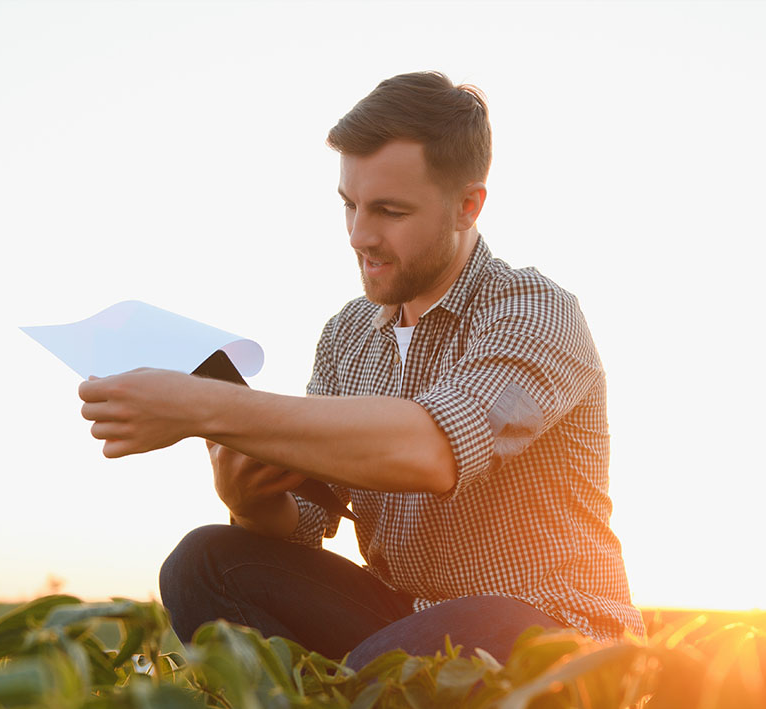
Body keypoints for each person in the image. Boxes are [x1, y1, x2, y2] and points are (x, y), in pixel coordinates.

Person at [79, 71, 644, 667]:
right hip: (409, 621)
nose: (359, 235)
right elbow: (309, 518)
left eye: (389, 211)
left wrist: (200, 408)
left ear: (467, 206)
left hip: (557, 632)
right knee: (204, 562)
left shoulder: (535, 309)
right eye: (349, 206)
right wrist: (251, 500)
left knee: (463, 631)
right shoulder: (347, 336)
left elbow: (431, 450)